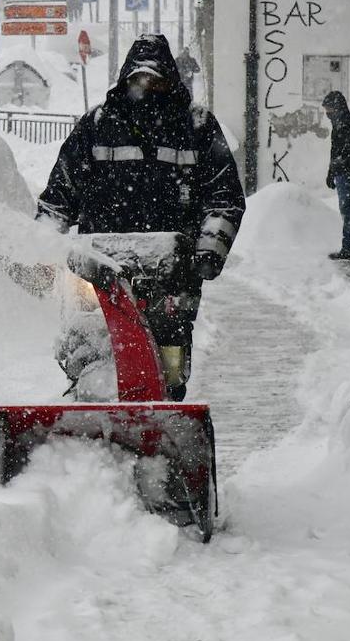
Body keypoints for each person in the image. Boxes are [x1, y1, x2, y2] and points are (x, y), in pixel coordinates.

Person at [37, 34, 246, 401]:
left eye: (156, 79)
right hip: (97, 274)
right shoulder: (97, 125)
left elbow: (224, 196)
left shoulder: (196, 127)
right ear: (125, 79)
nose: (148, 88)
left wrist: (209, 250)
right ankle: (87, 419)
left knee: (167, 366)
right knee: (86, 353)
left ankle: (162, 425)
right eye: (139, 79)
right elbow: (59, 196)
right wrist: (41, 248)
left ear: (171, 80)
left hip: (170, 276)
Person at [322, 90, 350, 260]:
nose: (327, 114)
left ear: (337, 107)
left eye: (329, 109)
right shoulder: (340, 123)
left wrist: (338, 166)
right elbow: (336, 152)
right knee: (345, 210)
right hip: (344, 172)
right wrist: (331, 172)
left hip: (348, 173)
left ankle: (348, 247)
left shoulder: (348, 124)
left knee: (346, 210)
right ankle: (348, 246)